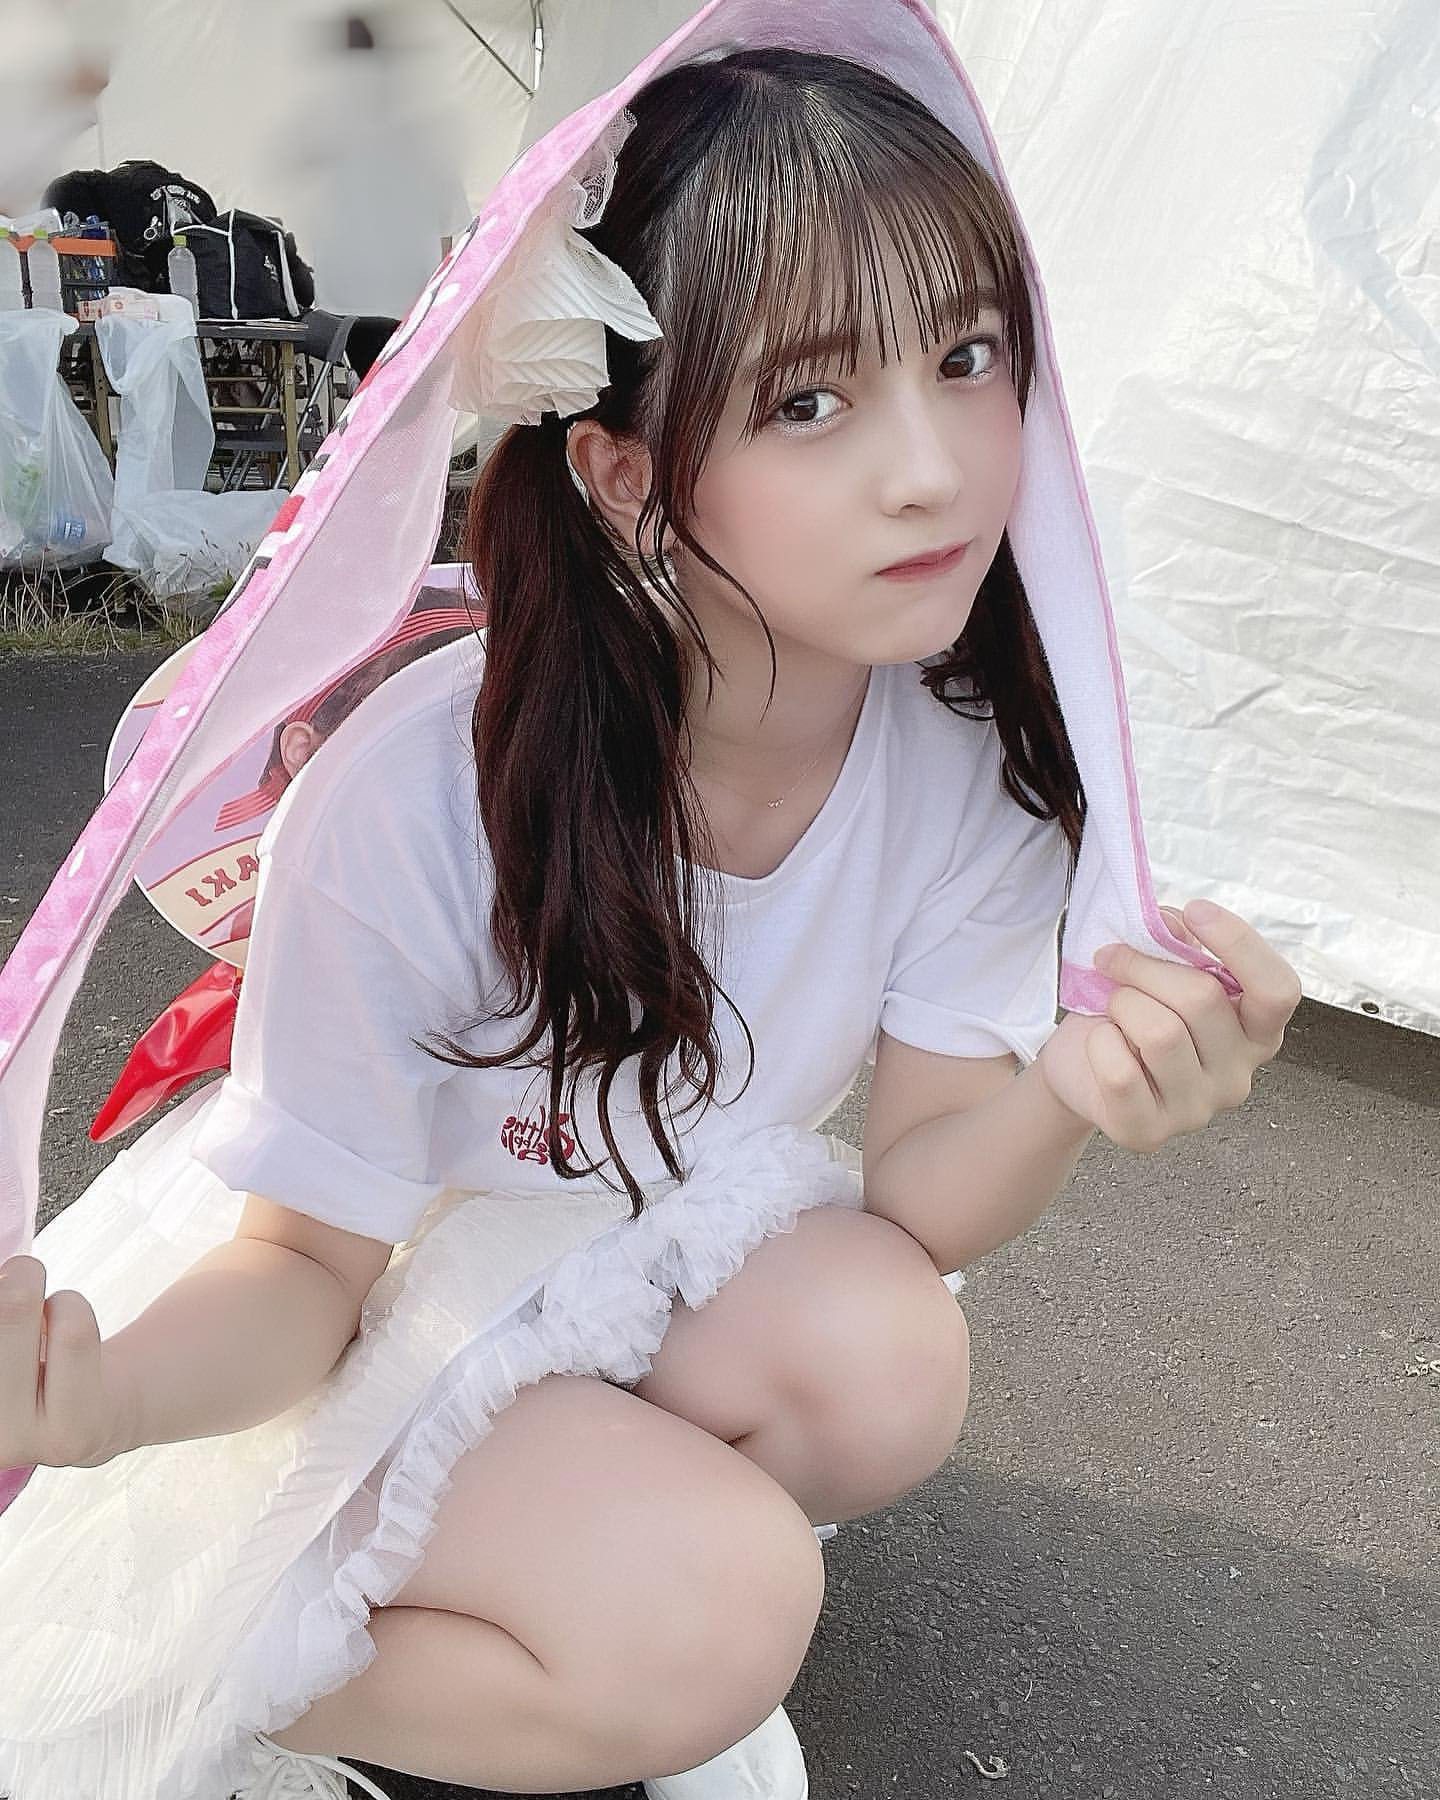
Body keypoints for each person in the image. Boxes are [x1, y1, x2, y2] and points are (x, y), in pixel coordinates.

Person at [0, 16, 1303, 1800]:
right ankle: (241, 1677)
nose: (933, 467)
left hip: (634, 1263)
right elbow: (303, 1274)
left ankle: (596, 1577)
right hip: (365, 1316)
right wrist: (104, 1403)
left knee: (888, 1359)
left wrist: (1073, 1087)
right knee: (714, 1613)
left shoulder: (967, 762)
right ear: (623, 472)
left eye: (969, 355)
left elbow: (922, 1192)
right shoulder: (419, 796)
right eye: (809, 402)